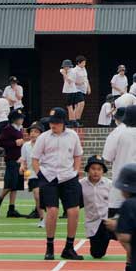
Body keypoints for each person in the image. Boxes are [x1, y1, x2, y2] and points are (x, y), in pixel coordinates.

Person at [32, 107, 85, 259]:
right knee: (52, 211)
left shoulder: (72, 135)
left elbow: (77, 155)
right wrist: (40, 174)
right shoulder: (44, 137)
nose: (52, 125)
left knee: (74, 211)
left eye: (56, 123)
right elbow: (35, 158)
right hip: (49, 177)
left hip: (68, 177)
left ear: (63, 122)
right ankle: (50, 247)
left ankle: (69, 247)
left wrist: (75, 172)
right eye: (51, 123)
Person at [0, 110, 26, 219]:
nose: (22, 119)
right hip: (11, 159)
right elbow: (1, 142)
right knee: (10, 183)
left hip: (19, 160)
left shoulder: (19, 129)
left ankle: (11, 208)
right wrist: (14, 143)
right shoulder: (8, 129)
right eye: (20, 118)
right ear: (14, 119)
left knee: (15, 185)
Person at [81, 155, 113, 259]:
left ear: (103, 171)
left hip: (108, 221)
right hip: (92, 223)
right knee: (97, 254)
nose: (96, 172)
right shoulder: (81, 184)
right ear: (88, 170)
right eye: (93, 169)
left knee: (127, 233)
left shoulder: (109, 184)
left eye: (99, 169)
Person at [21, 121, 45, 225]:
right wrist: (22, 166)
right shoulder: (26, 146)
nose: (33, 134)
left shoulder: (44, 145)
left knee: (43, 196)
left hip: (44, 173)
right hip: (32, 174)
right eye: (31, 131)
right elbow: (24, 160)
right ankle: (42, 218)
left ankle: (48, 217)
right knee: (36, 196)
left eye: (36, 131)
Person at [70, 55, 91, 126]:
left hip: (83, 90)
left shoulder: (84, 69)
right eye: (83, 63)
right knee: (81, 103)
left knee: (77, 105)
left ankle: (74, 121)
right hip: (76, 89)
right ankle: (77, 119)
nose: (84, 64)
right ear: (79, 63)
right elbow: (71, 80)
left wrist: (88, 87)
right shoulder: (74, 70)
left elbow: (86, 79)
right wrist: (78, 83)